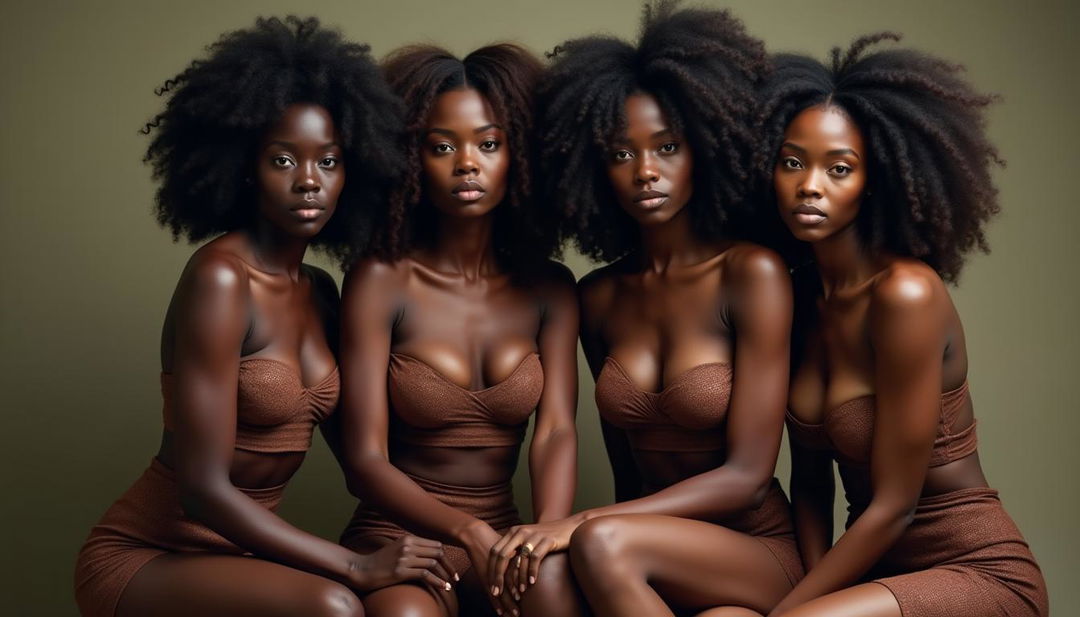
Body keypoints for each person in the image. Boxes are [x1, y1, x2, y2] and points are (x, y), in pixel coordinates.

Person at [73, 17, 453, 617]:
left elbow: (362, 458)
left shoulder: (322, 292)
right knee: (337, 605)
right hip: (149, 553)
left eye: (328, 162)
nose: (309, 183)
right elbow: (200, 489)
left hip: (241, 559)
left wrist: (462, 534)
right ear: (246, 167)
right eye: (283, 161)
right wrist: (355, 564)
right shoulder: (220, 278)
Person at [485, 4, 803, 616]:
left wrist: (581, 522)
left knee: (595, 542)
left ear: (705, 150)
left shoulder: (751, 274)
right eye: (622, 153)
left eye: (668, 147)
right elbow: (626, 468)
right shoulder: (600, 295)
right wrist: (585, 535)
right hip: (636, 554)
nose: (646, 172)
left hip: (752, 547)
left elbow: (748, 476)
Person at [759, 33, 1048, 617]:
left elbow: (895, 505)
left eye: (839, 168)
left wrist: (788, 615)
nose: (809, 184)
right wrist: (807, 597)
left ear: (878, 181)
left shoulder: (906, 295)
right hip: (874, 572)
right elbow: (810, 486)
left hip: (974, 568)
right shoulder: (797, 298)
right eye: (792, 162)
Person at [335, 44, 583, 617]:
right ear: (410, 158)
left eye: (488, 144)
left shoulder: (550, 287)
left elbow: (556, 433)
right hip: (398, 536)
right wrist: (464, 529)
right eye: (441, 146)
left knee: (556, 597)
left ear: (520, 154)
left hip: (505, 531)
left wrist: (542, 536)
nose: (466, 163)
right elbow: (364, 457)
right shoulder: (381, 281)